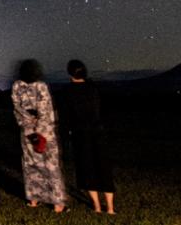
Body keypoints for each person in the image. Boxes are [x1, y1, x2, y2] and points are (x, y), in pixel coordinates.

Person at [11, 59, 67, 212]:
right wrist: (40, 129)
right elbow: (45, 109)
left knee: (30, 165)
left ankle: (33, 200)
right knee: (51, 167)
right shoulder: (41, 86)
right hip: (45, 134)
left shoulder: (17, 86)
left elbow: (17, 108)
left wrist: (27, 126)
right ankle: (58, 204)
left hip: (27, 133)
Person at [62, 59, 115, 214]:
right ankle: (110, 208)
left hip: (81, 134)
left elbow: (65, 117)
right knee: (104, 169)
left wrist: (65, 137)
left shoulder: (67, 91)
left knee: (87, 170)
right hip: (98, 132)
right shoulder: (94, 88)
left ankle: (97, 207)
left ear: (70, 73)